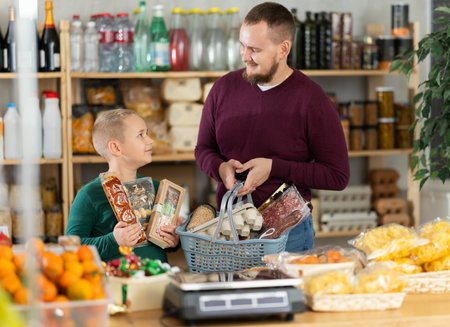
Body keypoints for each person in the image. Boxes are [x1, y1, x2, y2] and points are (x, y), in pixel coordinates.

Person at [195, 2, 350, 252]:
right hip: (229, 230)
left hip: (290, 234)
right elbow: (203, 148)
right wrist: (220, 168)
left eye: (254, 49)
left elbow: (337, 176)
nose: (245, 56)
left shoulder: (313, 99)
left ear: (283, 49)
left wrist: (274, 167)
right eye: (242, 46)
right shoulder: (222, 88)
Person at [66, 109, 182, 262]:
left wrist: (174, 240)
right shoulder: (89, 194)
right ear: (116, 148)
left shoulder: (158, 188)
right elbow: (71, 247)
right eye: (140, 135)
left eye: (146, 133)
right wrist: (114, 241)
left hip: (157, 281)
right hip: (117, 283)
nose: (150, 140)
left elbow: (166, 242)